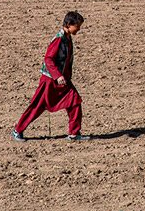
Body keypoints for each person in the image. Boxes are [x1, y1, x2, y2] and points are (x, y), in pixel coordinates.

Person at [11, 11, 90, 142]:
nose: (79, 29)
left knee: (74, 101)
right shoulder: (59, 39)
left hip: (63, 81)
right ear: (68, 24)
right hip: (50, 80)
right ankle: (18, 130)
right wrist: (57, 76)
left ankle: (74, 133)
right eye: (77, 26)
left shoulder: (67, 38)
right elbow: (48, 59)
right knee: (37, 106)